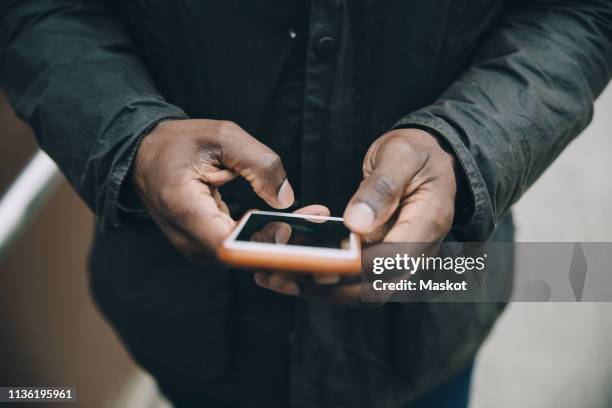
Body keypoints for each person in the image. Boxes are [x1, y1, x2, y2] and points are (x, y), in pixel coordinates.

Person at [1, 1, 610, 407]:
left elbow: (580, 12)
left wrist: (464, 148)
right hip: (191, 328)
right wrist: (129, 141)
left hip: (427, 311)